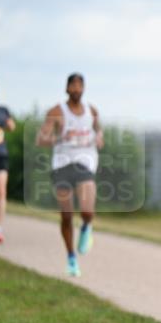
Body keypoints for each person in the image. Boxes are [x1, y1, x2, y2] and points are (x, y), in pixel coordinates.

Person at [36, 73, 102, 276]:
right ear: (66, 89)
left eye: (79, 85)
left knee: (87, 211)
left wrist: (99, 139)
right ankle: (71, 257)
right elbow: (41, 139)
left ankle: (86, 227)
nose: (76, 89)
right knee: (66, 215)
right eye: (72, 85)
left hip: (84, 163)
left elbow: (99, 134)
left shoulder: (91, 111)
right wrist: (60, 137)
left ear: (84, 89)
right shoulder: (57, 111)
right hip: (62, 165)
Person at [0, 81, 17, 244]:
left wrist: (7, 124)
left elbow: (12, 126)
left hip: (0, 154)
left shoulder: (3, 110)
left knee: (1, 191)